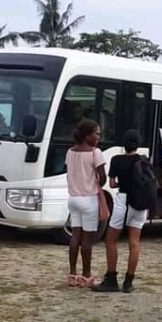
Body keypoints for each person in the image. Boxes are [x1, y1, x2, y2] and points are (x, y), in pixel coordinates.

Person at [93, 130, 148, 293]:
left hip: (123, 201)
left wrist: (122, 182)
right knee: (134, 243)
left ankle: (111, 278)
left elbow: (112, 183)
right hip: (140, 203)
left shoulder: (117, 160)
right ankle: (128, 282)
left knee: (111, 240)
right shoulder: (144, 160)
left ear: (124, 144)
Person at [65, 119, 106, 288]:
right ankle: (86, 275)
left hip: (73, 198)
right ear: (87, 135)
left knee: (75, 236)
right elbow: (102, 177)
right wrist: (96, 184)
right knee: (87, 239)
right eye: (96, 134)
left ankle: (72, 274)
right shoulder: (95, 153)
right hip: (88, 198)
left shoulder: (70, 151)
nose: (98, 137)